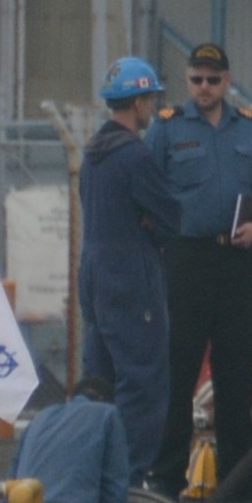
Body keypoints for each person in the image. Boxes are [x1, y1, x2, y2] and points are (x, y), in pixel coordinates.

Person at [142, 39, 252, 498]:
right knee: (178, 369)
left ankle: (239, 479)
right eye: (196, 79)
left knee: (238, 370)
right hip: (186, 260)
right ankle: (167, 477)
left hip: (237, 259)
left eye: (212, 80)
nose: (203, 87)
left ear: (227, 82)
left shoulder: (248, 129)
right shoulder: (167, 129)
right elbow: (145, 192)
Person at [76, 59, 186, 481]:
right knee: (142, 387)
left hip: (95, 279)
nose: (153, 107)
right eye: (150, 99)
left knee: (98, 386)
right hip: (131, 281)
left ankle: (90, 476)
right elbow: (170, 216)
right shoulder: (134, 155)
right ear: (138, 102)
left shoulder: (93, 155)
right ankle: (129, 483)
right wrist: (151, 222)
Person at [12, 366, 135, 503]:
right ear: (106, 400)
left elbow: (12, 475)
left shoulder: (39, 418)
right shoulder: (107, 414)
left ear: (70, 397)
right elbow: (115, 485)